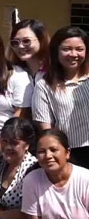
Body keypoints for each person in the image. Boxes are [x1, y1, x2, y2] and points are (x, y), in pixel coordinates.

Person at [32, 26, 89, 168]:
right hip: (67, 154)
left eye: (79, 49)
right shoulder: (44, 86)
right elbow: (46, 129)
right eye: (67, 49)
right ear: (56, 51)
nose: (73, 54)